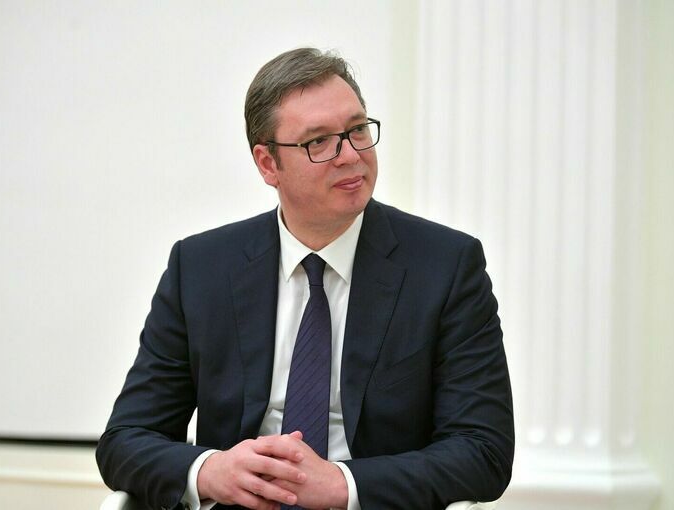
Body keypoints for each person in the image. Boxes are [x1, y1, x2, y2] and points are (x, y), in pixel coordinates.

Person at [96, 47, 514, 510]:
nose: (350, 155)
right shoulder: (200, 268)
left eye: (357, 130)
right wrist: (211, 470)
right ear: (267, 163)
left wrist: (342, 484)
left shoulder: (445, 266)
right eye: (319, 141)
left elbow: (483, 452)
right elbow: (125, 440)